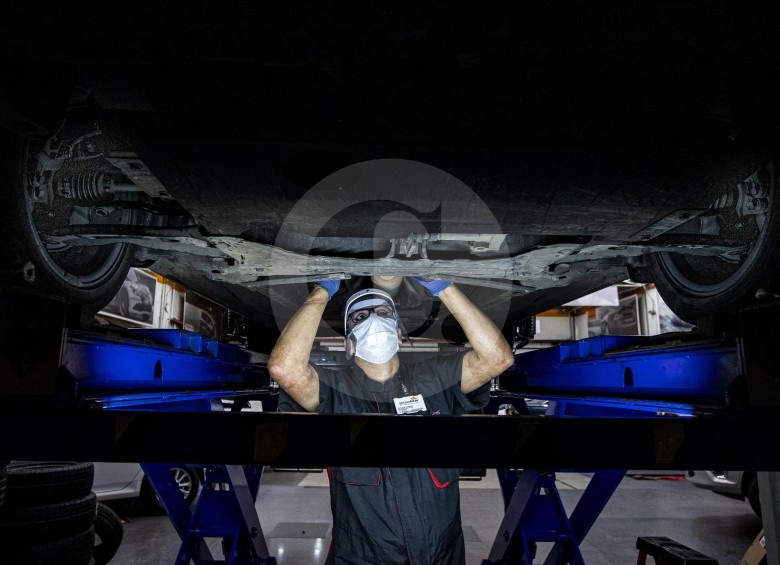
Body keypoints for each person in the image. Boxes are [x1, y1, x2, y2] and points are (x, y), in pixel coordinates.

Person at [268, 277, 514, 565]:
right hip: (362, 558)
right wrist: (322, 292)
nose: (373, 319)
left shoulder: (435, 380)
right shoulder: (334, 394)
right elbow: (283, 368)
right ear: (348, 343)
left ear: (399, 333)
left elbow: (497, 359)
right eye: (360, 317)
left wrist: (443, 287)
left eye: (384, 313)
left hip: (441, 554)